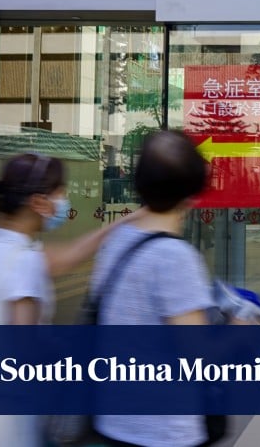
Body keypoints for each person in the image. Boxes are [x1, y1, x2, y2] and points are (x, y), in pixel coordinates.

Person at [0, 153, 138, 447]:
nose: (64, 201)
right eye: (60, 193)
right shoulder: (24, 261)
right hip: (1, 419)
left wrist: (124, 223)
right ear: (39, 203)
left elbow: (66, 257)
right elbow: (25, 351)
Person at [90, 130, 217, 447]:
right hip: (164, 429)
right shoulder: (176, 257)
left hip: (113, 419)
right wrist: (245, 331)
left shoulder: (117, 242)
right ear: (192, 192)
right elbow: (198, 355)